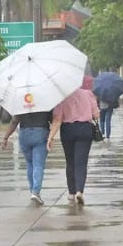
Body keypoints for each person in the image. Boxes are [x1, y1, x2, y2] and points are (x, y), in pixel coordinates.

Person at [47, 77, 100, 205]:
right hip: (85, 129)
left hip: (68, 130)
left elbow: (57, 119)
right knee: (81, 163)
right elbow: (96, 114)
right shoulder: (88, 94)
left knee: (70, 162)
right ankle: (79, 191)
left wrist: (50, 137)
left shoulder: (62, 98)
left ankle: (71, 193)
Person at [2, 111, 52, 205]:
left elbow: (14, 121)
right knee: (38, 164)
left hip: (24, 133)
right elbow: (53, 119)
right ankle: (35, 191)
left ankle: (32, 190)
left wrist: (6, 137)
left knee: (30, 163)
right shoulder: (44, 103)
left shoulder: (22, 102)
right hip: (41, 132)